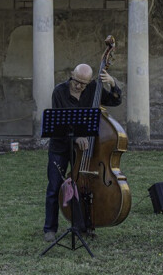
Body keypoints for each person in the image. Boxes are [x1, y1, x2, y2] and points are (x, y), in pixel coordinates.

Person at [43, 63, 122, 242]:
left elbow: (116, 100)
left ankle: (83, 225)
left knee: (83, 187)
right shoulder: (59, 92)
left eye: (83, 84)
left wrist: (112, 83)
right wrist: (75, 137)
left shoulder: (94, 89)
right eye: (76, 81)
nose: (78, 86)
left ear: (90, 82)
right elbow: (58, 125)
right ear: (72, 75)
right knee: (54, 187)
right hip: (61, 146)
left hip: (85, 150)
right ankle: (50, 229)